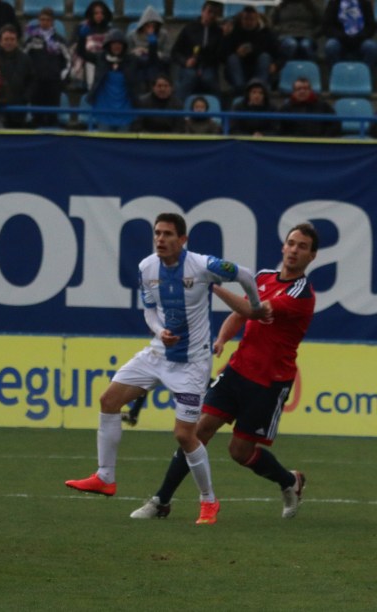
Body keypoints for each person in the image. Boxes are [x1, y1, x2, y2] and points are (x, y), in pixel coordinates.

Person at [65, 212, 269, 526]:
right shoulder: (146, 267)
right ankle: (105, 477)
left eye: (168, 234)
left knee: (185, 435)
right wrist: (160, 331)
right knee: (109, 400)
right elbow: (149, 310)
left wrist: (254, 306)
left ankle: (208, 500)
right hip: (158, 353)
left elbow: (244, 273)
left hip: (192, 364)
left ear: (182, 239)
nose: (160, 239)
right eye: (157, 233)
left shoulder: (202, 265)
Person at [131, 223, 317, 521]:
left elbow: (254, 311)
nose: (294, 250)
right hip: (237, 371)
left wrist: (212, 285)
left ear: (312, 256)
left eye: (302, 246)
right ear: (283, 246)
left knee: (240, 452)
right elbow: (239, 314)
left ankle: (289, 481)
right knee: (196, 432)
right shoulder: (264, 277)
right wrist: (221, 340)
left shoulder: (301, 293)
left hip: (268, 382)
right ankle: (161, 501)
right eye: (291, 243)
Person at [0, 25, 35, 129]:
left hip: (17, 110)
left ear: (17, 41)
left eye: (12, 39)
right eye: (6, 39)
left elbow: (32, 81)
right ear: (0, 40)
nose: (9, 42)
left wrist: (25, 98)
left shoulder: (25, 59)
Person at [23, 8, 70, 128]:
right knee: (36, 116)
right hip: (36, 82)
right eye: (42, 19)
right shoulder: (31, 40)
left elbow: (68, 61)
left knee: (52, 117)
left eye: (48, 20)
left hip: (54, 82)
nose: (45, 22)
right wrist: (29, 76)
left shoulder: (59, 41)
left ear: (52, 22)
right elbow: (23, 58)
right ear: (39, 21)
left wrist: (62, 77)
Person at [172, 1, 226, 103]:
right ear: (202, 11)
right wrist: (185, 61)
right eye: (209, 12)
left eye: (215, 13)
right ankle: (177, 106)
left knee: (209, 79)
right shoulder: (189, 28)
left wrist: (225, 38)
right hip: (189, 65)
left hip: (208, 66)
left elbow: (220, 56)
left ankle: (217, 108)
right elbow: (175, 52)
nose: (211, 15)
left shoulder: (218, 32)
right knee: (189, 77)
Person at [88, 29, 139, 132]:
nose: (117, 46)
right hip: (104, 110)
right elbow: (81, 53)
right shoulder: (100, 58)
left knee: (122, 142)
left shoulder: (132, 60)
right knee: (104, 141)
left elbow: (152, 62)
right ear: (108, 45)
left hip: (125, 110)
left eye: (119, 44)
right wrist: (81, 37)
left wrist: (153, 44)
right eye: (114, 44)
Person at [222, 6, 279, 97]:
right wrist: (235, 51)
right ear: (241, 19)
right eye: (245, 19)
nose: (248, 22)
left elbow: (276, 52)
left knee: (265, 57)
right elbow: (223, 55)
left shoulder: (266, 32)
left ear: (257, 19)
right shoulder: (234, 31)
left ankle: (259, 87)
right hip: (239, 69)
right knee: (232, 58)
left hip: (259, 67)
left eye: (251, 19)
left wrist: (275, 64)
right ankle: (240, 90)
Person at [321, 0, 377, 69]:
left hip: (360, 39)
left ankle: (363, 71)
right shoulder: (334, 3)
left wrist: (359, 37)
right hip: (339, 39)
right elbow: (327, 26)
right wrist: (342, 36)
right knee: (330, 46)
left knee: (371, 47)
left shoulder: (365, 3)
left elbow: (371, 27)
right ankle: (337, 71)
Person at [72, 0, 113, 90]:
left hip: (105, 60)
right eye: (96, 13)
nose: (99, 15)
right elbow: (76, 47)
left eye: (102, 13)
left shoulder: (110, 30)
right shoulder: (82, 28)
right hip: (87, 59)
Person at [129, 6, 170, 91]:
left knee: (153, 72)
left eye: (153, 26)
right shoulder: (132, 35)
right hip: (139, 65)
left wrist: (154, 52)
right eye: (148, 26)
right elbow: (127, 53)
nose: (151, 29)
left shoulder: (163, 35)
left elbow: (167, 54)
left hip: (157, 64)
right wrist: (135, 52)